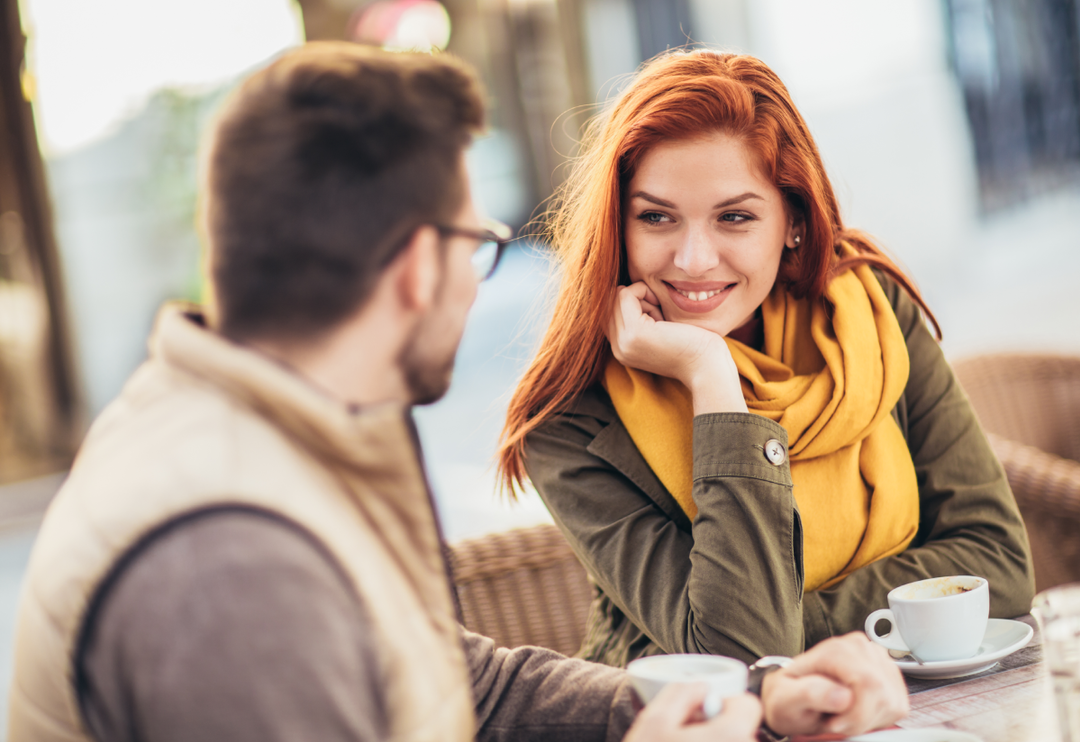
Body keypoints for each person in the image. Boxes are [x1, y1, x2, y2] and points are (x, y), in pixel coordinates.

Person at [8, 43, 907, 742]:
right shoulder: (232, 563)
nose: (478, 282)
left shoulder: (257, 428)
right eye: (474, 247)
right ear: (413, 270)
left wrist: (751, 693)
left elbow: (461, 679)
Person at [498, 49, 1036, 669]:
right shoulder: (573, 420)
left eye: (734, 217)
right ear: (616, 227)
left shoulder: (868, 310)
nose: (694, 259)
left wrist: (793, 620)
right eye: (655, 217)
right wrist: (709, 375)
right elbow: (741, 652)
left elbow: (998, 561)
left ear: (794, 222)